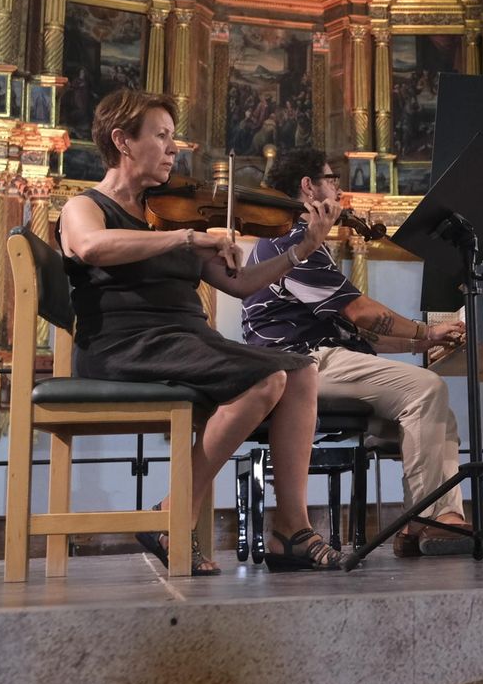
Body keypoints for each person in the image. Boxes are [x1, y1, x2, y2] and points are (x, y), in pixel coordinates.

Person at [57, 89, 342, 573]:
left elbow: (242, 282)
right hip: (124, 345)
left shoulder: (170, 209)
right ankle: (174, 513)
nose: (174, 149)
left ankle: (290, 528)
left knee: (300, 371)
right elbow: (88, 247)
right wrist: (188, 238)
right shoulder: (86, 206)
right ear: (123, 141)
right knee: (266, 378)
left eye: (174, 138)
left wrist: (305, 246)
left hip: (187, 340)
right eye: (162, 137)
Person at [241, 147, 483, 557]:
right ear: (308, 187)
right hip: (298, 363)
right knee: (425, 389)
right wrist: (426, 329)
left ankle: (424, 524)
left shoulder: (294, 242)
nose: (339, 190)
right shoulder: (293, 240)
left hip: (315, 356)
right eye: (332, 180)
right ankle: (435, 519)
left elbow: (354, 330)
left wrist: (427, 340)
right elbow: (360, 313)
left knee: (435, 413)